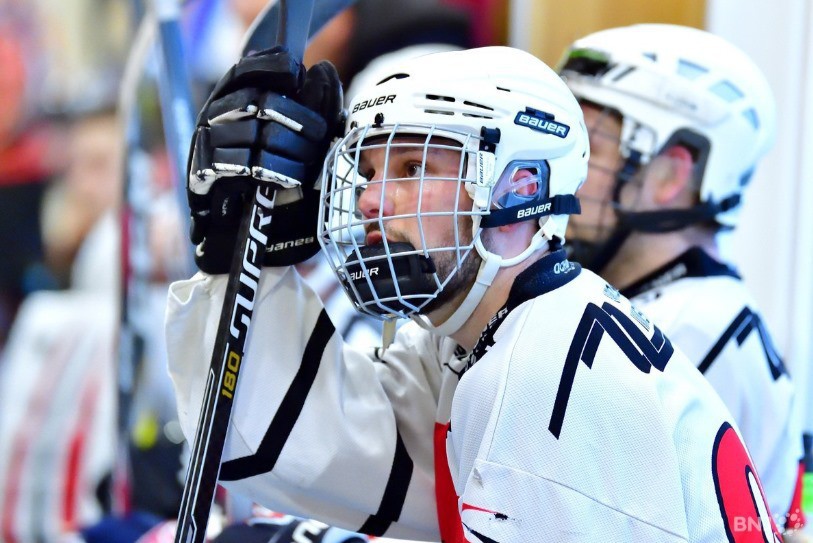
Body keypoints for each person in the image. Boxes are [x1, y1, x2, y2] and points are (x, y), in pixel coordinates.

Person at [168, 45, 784, 542]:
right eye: (370, 172)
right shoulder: (478, 341)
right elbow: (286, 448)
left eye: (413, 169)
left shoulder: (540, 373)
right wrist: (240, 254)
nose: (370, 201)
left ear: (518, 188)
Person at [558, 23, 806, 534]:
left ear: (671, 175)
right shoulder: (680, 304)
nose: (564, 172)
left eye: (590, 151)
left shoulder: (685, 328)